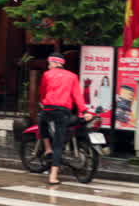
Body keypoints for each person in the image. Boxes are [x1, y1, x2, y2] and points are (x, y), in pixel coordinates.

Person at [39, 53, 93, 186]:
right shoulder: (72, 76)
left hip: (48, 109)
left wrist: (43, 101)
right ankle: (53, 176)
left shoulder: (47, 74)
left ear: (55, 63)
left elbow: (42, 92)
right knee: (58, 143)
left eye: (49, 63)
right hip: (63, 112)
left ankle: (47, 148)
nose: (48, 66)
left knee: (41, 121)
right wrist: (84, 111)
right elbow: (77, 96)